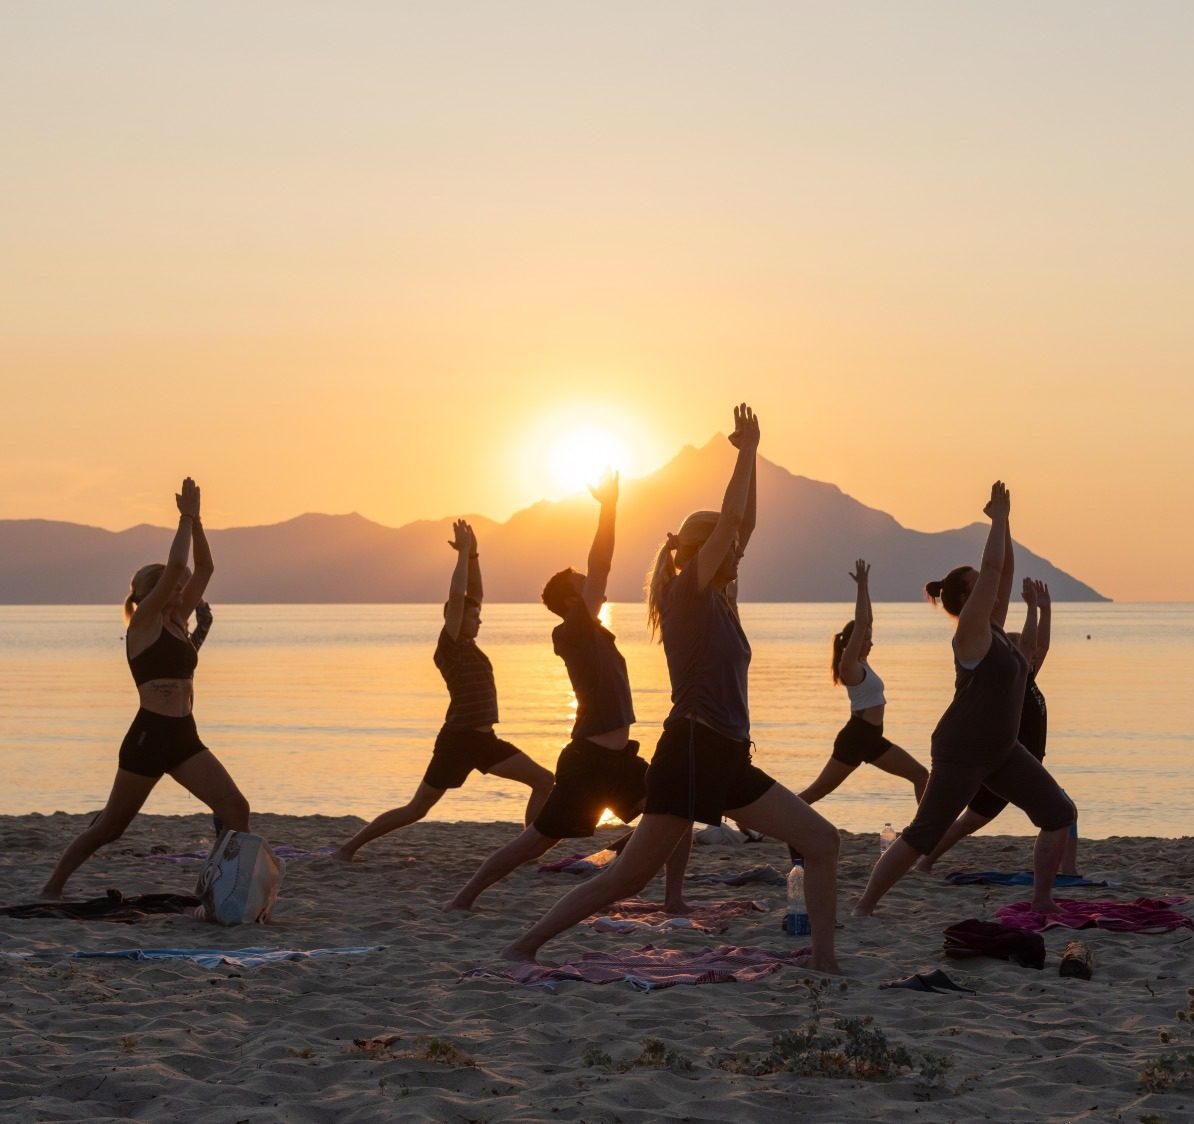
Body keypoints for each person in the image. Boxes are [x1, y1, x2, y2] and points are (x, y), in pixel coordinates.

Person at [501, 405, 842, 972]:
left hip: (729, 756)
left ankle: (824, 963)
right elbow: (732, 526)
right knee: (627, 877)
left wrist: (753, 460)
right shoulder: (687, 594)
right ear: (707, 553)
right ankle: (523, 946)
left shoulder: (723, 600)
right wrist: (746, 452)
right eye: (728, 549)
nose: (738, 555)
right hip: (691, 751)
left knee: (823, 842)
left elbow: (742, 526)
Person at [448, 472, 684, 911]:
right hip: (588, 763)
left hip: (618, 758)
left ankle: (673, 900)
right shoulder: (572, 630)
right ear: (572, 598)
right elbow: (602, 565)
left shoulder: (593, 631)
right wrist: (608, 507)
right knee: (536, 843)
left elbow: (605, 575)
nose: (590, 582)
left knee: (677, 810)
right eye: (581, 581)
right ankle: (463, 898)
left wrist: (671, 556)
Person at [856, 483, 1076, 916]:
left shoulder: (993, 625)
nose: (992, 590)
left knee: (1058, 812)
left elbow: (1003, 573)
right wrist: (996, 520)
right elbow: (993, 568)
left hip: (1002, 750)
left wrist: (1007, 520)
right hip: (961, 751)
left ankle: (1042, 900)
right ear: (963, 600)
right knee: (923, 834)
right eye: (979, 587)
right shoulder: (970, 631)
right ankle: (864, 907)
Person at [41, 479, 251, 897]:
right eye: (173, 585)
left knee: (235, 809)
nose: (181, 587)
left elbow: (204, 569)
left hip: (184, 736)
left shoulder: (178, 619)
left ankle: (216, 889)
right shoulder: (144, 624)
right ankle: (52, 887)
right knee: (110, 828)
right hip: (149, 737)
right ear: (152, 592)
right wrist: (185, 518)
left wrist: (200, 521)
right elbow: (177, 568)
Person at [335, 520, 554, 861]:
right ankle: (347, 848)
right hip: (458, 741)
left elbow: (474, 597)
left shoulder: (470, 643)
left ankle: (526, 853)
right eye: (471, 618)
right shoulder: (450, 645)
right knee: (416, 809)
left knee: (544, 781)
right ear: (454, 619)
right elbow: (458, 597)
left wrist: (475, 555)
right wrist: (462, 555)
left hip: (485, 741)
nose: (478, 620)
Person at [912, 575, 1064, 872]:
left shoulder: (1027, 678)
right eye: (1021, 648)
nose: (1030, 653)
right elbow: (1032, 644)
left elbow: (1040, 646)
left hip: (1020, 762)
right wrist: (1032, 608)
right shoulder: (1012, 682)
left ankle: (923, 862)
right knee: (968, 822)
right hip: (1004, 761)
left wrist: (1045, 610)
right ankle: (922, 862)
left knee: (970, 822)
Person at [793, 559, 927, 807]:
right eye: (866, 639)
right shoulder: (849, 665)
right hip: (856, 739)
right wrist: (860, 589)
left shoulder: (862, 662)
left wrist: (865, 587)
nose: (871, 642)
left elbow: (868, 621)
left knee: (920, 775)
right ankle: (762, 825)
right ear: (854, 641)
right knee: (815, 793)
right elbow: (863, 623)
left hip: (873, 739)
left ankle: (924, 834)